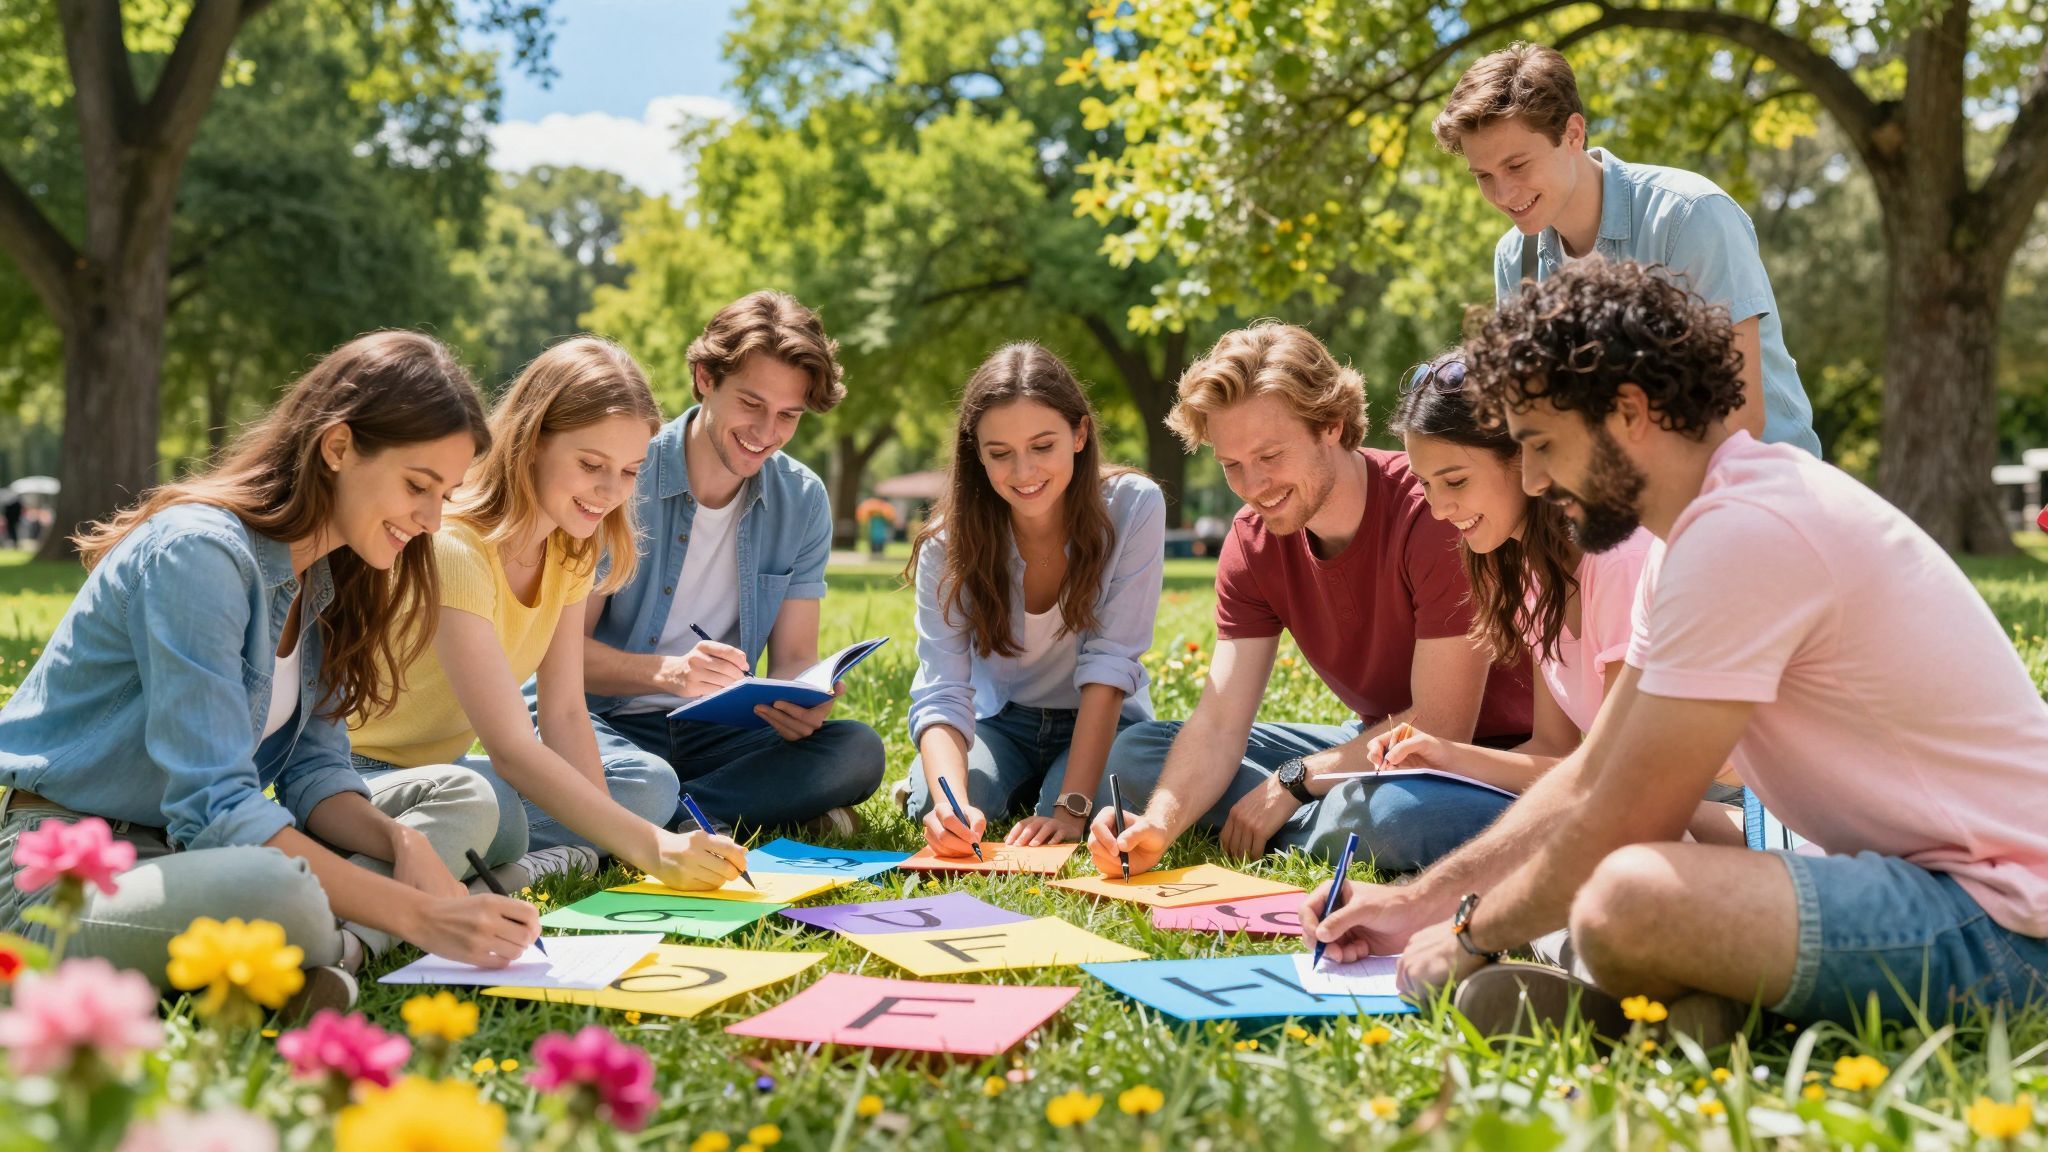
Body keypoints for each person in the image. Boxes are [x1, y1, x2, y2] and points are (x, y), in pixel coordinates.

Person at [1304, 259, 2048, 1032]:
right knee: (1623, 895)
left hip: (2005, 922)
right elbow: (1591, 771)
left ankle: (1671, 1013)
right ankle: (1693, 1014)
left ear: (1628, 411)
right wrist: (1414, 902)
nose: (1529, 477)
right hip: (1894, 883)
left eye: (1542, 444)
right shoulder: (1690, 537)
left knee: (1628, 896)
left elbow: (1628, 816)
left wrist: (1468, 930)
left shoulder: (1745, 532)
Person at [0, 332, 538, 1005]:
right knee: (280, 892)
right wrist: (421, 913)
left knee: (466, 799)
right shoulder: (199, 554)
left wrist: (401, 842)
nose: (432, 521)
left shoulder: (326, 578)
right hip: (69, 874)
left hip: (192, 858)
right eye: (418, 486)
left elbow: (315, 774)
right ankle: (350, 938)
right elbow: (214, 809)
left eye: (445, 494)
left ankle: (325, 952)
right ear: (338, 448)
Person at [1086, 321, 1532, 878]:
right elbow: (1221, 722)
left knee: (1393, 812)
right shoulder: (1253, 542)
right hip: (1375, 747)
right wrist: (1160, 824)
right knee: (1141, 754)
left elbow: (1442, 728)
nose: (1252, 485)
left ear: (1331, 425)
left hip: (1496, 759)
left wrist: (1295, 780)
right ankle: (1324, 823)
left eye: (1270, 455)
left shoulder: (1434, 511)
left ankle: (1314, 820)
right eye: (1231, 465)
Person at [349, 337, 745, 894]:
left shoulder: (570, 550)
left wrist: (616, 836)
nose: (609, 492)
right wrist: (651, 846)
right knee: (499, 810)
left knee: (650, 784)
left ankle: (545, 857)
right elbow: (511, 750)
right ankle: (500, 861)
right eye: (590, 464)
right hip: (361, 779)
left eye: (630, 472)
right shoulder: (456, 550)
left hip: (453, 774)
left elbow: (561, 714)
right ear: (532, 443)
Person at [1382, 353, 1744, 842]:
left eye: (1456, 481)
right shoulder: (1530, 570)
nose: (1439, 508)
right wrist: (1444, 756)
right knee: (1407, 805)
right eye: (1425, 484)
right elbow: (1556, 748)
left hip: (1743, 809)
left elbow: (1618, 779)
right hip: (1629, 800)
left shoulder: (1617, 561)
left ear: (1524, 457)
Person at [570, 291, 886, 835]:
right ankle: (719, 809)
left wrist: (802, 702)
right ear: (704, 379)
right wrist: (668, 674)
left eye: (788, 415)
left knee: (857, 751)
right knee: (642, 777)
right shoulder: (624, 474)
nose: (767, 433)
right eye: (752, 404)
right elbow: (561, 655)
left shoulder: (803, 499)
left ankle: (674, 817)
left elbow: (791, 657)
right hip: (602, 721)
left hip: (715, 730)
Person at [1435, 42, 1822, 457]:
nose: (1503, 193)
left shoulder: (1688, 216)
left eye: (1517, 166)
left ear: (1573, 134)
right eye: (1483, 176)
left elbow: (1740, 417)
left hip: (1757, 490)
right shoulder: (1515, 259)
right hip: (1620, 504)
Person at [900, 343, 1165, 855]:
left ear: (1080, 434)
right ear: (976, 452)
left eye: (1043, 446)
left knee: (1085, 810)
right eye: (1000, 454)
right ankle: (1004, 788)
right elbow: (942, 689)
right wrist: (948, 803)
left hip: (1104, 722)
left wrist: (1068, 807)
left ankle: (1045, 790)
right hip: (1000, 720)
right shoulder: (946, 543)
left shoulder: (1134, 506)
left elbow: (1112, 664)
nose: (1024, 473)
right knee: (931, 805)